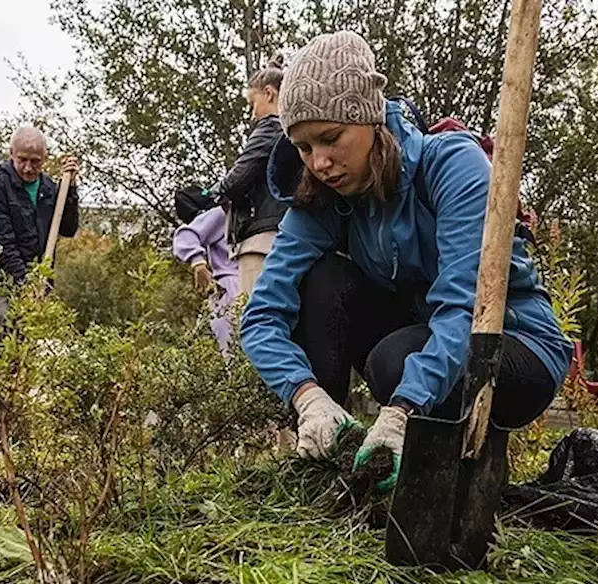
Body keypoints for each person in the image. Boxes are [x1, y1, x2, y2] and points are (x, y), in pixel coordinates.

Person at [240, 32, 573, 491]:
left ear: (370, 118)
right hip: (424, 338)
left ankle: (451, 473)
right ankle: (331, 463)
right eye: (303, 147)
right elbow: (260, 317)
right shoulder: (324, 200)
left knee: (395, 362)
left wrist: (400, 411)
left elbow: (463, 309)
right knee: (322, 281)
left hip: (512, 342)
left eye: (331, 138)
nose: (319, 162)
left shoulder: (453, 166)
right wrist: (305, 395)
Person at [0, 125, 81, 327]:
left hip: (38, 276)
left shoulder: (50, 189)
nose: (28, 168)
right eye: (22, 160)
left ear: (45, 158)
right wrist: (26, 284)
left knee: (34, 333)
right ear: (11, 154)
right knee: (5, 321)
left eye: (35, 162)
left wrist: (70, 189)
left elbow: (68, 229)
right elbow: (0, 241)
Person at [215, 55, 289, 299]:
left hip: (262, 241)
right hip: (286, 234)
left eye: (252, 103)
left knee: (257, 319)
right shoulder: (295, 134)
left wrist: (212, 192)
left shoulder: (270, 127)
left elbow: (234, 182)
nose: (251, 114)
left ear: (269, 93)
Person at [171, 185, 240, 355]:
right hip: (230, 286)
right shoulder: (221, 213)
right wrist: (198, 263)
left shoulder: (228, 212)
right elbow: (185, 235)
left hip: (231, 288)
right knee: (236, 355)